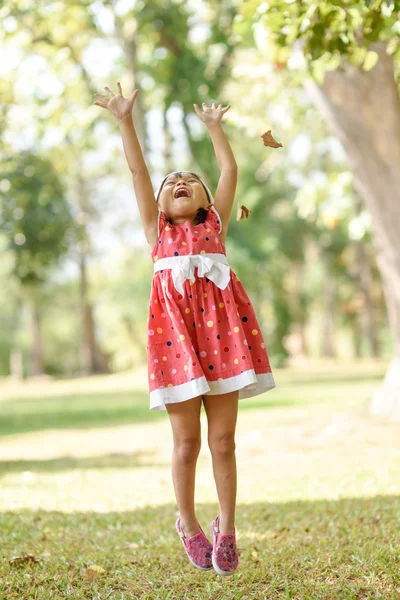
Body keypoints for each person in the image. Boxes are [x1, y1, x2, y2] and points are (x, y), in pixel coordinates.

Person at [94, 83, 276, 576]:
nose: (180, 182)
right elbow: (138, 169)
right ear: (158, 201)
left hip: (224, 344)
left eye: (190, 180)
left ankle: (229, 528)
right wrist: (125, 120)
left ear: (204, 200)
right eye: (171, 180)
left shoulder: (215, 223)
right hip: (175, 348)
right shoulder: (158, 234)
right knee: (186, 443)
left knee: (223, 441)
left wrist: (215, 128)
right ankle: (189, 524)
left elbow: (231, 169)